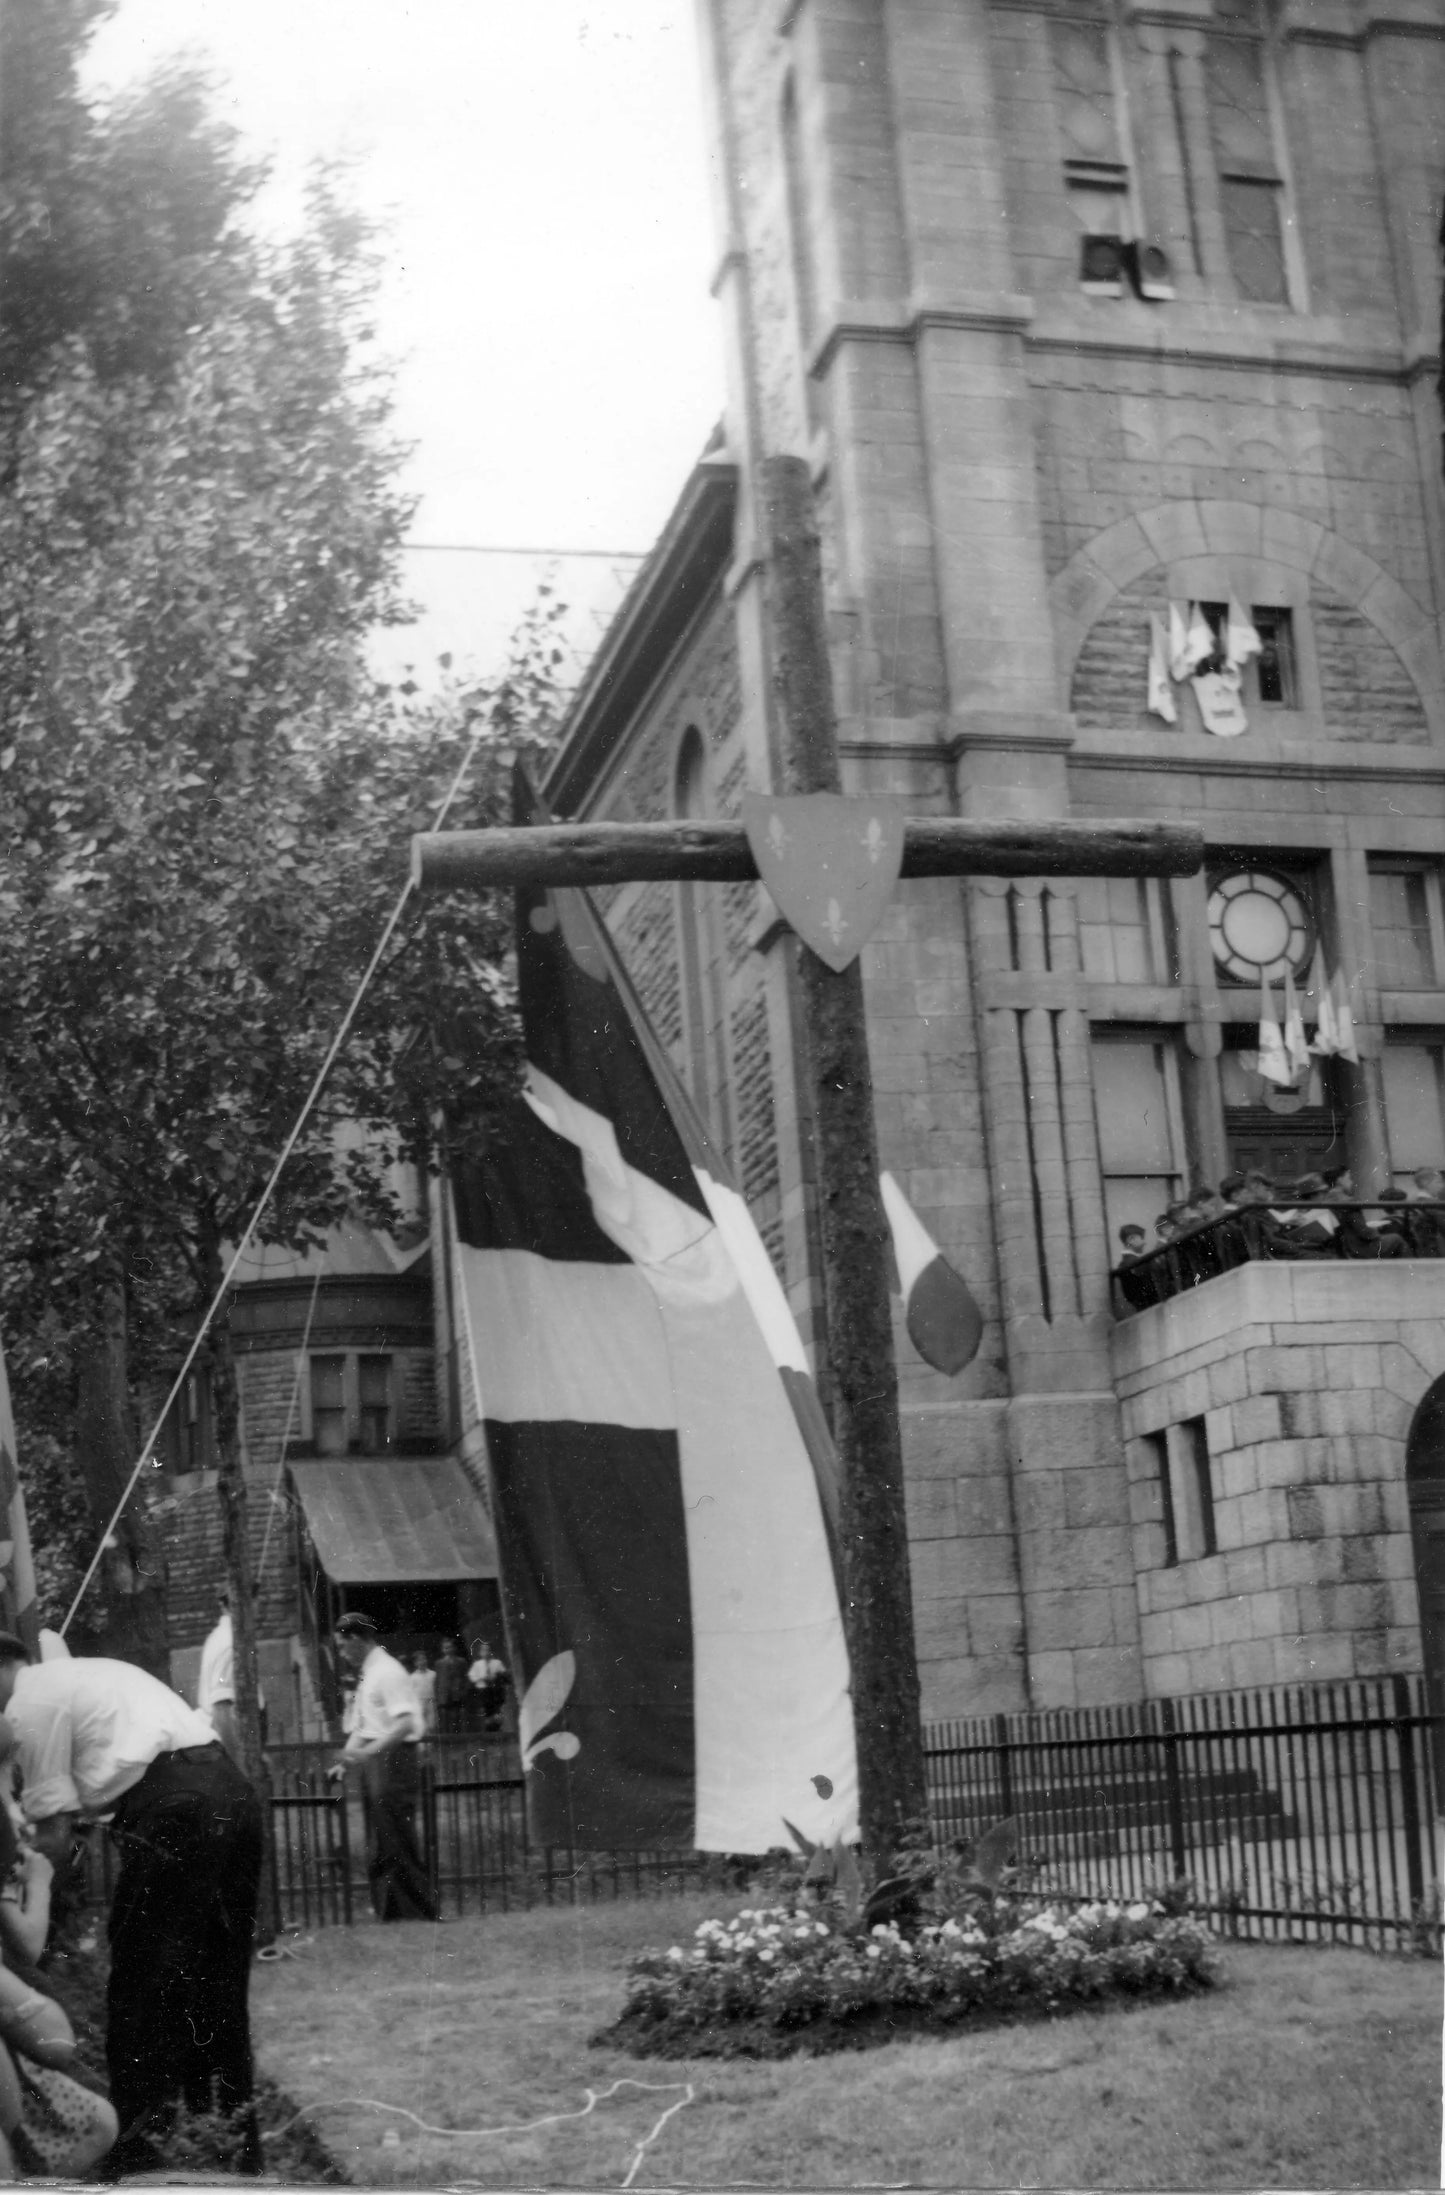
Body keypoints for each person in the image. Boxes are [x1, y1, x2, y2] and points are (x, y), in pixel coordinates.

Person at [0, 1637, 264, 2176]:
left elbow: (52, 1834)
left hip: (176, 1806)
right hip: (229, 1791)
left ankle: (138, 2162)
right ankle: (235, 2147)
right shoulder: (83, 1676)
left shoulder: (28, 1702)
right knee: (217, 1979)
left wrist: (32, 1910)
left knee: (142, 1987)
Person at [328, 1613, 439, 1922]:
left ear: (356, 1639)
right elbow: (364, 1727)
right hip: (375, 1763)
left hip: (394, 1761)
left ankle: (415, 1912)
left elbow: (404, 1724)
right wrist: (346, 1762)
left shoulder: (388, 1673)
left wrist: (370, 1754)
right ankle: (390, 1913)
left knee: (396, 1837)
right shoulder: (370, 1673)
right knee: (381, 1838)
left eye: (342, 1646)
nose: (341, 1654)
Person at [197, 1589, 266, 1767]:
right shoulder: (231, 1643)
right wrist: (240, 1765)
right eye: (253, 1603)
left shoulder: (223, 1637)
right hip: (230, 1752)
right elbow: (222, 1709)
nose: (259, 1609)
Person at [468, 1639, 509, 1733]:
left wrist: (495, 1676)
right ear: (480, 1652)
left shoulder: (497, 1663)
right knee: (487, 1712)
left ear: (491, 1652)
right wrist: (481, 1678)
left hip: (495, 1691)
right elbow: (472, 1676)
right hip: (483, 1691)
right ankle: (489, 1732)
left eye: (488, 1650)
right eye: (484, 1650)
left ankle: (497, 1730)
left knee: (497, 1712)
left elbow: (504, 1674)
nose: (486, 1652)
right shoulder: (477, 1664)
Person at [1114, 1225, 1158, 1311]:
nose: (1144, 1242)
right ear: (1131, 1240)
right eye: (1142, 1238)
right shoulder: (1132, 1262)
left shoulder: (1124, 1263)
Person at [434, 1637, 470, 1737]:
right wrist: (438, 1696)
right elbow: (438, 1681)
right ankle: (447, 1741)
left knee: (457, 1718)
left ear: (454, 1648)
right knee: (445, 1719)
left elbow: (465, 1678)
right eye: (445, 1648)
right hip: (444, 1695)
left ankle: (457, 1741)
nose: (448, 1650)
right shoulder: (439, 1663)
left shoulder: (461, 1661)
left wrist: (463, 1691)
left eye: (450, 1647)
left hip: (457, 1694)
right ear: (442, 1650)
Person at [408, 1649, 438, 1739]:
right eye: (419, 1660)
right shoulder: (412, 1677)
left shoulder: (433, 1674)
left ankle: (431, 1746)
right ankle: (422, 1747)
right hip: (419, 1702)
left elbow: (436, 1688)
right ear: (415, 1663)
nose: (422, 1662)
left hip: (431, 1701)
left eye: (424, 1659)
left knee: (431, 1724)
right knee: (421, 1724)